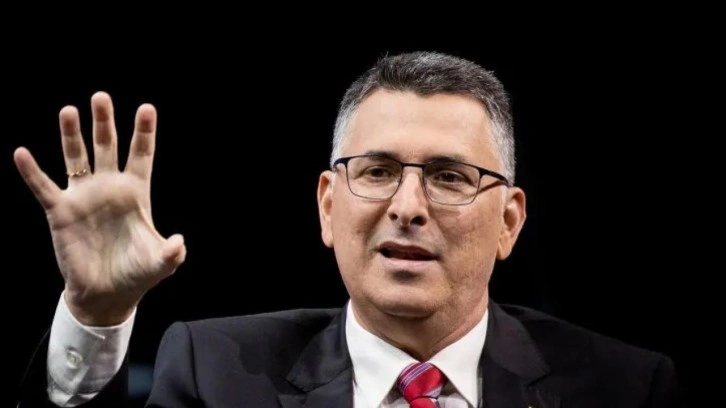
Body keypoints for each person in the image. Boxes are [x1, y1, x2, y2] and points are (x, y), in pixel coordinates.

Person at [15, 51, 680, 407]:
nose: (408, 206)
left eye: (449, 177)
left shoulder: (624, 387)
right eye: (378, 171)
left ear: (509, 222)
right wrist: (95, 316)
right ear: (327, 206)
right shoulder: (214, 373)